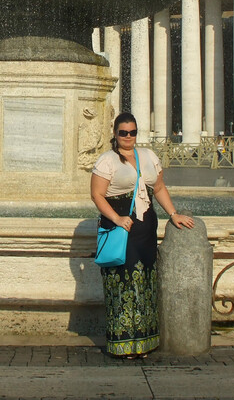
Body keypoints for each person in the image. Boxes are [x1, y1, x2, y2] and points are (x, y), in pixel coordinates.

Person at [90, 112, 195, 358]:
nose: (128, 137)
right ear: (115, 134)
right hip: (119, 226)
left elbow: (158, 188)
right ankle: (122, 343)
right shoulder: (107, 160)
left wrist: (173, 214)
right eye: (123, 133)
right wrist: (116, 219)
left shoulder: (148, 156)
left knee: (145, 280)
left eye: (133, 132)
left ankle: (145, 342)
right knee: (122, 283)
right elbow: (97, 195)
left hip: (145, 226)